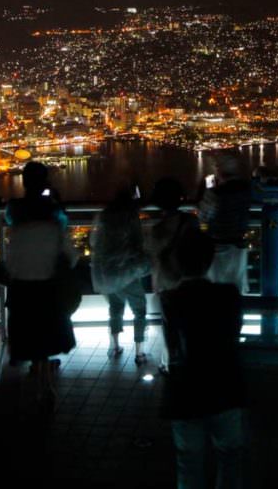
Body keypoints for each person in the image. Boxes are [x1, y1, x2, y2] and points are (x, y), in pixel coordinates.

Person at [160, 227, 245, 489]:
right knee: (230, 457)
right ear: (209, 260)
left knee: (189, 461)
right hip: (224, 385)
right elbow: (234, 332)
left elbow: (173, 346)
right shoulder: (229, 295)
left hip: (185, 391)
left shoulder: (169, 300)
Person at [3, 162, 78, 410]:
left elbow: (10, 261)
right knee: (46, 340)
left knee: (30, 338)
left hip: (21, 289)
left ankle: (37, 382)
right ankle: (45, 387)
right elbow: (70, 255)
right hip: (48, 288)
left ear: (24, 182)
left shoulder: (15, 212)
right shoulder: (55, 216)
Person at [91, 187, 151, 365]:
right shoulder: (131, 216)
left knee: (115, 308)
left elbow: (94, 241)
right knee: (139, 310)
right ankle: (139, 353)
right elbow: (138, 242)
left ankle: (114, 346)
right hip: (128, 271)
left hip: (106, 272)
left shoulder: (104, 215)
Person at [147, 178, 200, 373]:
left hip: (167, 284)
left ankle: (170, 363)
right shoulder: (191, 221)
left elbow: (154, 261)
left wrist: (155, 284)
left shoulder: (157, 231)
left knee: (170, 326)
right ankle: (190, 361)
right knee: (190, 324)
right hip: (190, 280)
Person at [199, 154, 252, 292]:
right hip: (239, 244)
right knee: (236, 286)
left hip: (219, 245)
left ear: (219, 171)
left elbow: (203, 216)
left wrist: (204, 230)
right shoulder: (246, 190)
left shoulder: (216, 193)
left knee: (216, 287)